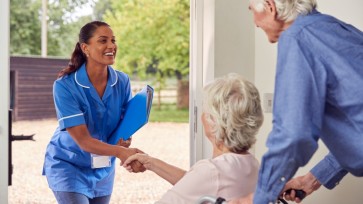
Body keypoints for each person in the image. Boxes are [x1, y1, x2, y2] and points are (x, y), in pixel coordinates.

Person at [230, 0, 363, 203]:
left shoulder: (296, 38)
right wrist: (311, 180)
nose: (255, 23)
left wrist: (259, 197)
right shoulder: (332, 28)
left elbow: (292, 134)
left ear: (270, 7)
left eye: (252, 11)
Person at [42, 21, 145, 204]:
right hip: (69, 165)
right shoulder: (65, 85)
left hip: (103, 168)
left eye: (113, 40)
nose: (112, 46)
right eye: (103, 41)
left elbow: (124, 124)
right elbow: (83, 141)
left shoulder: (122, 81)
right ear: (85, 48)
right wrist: (120, 152)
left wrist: (124, 141)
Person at [123, 73, 264, 203]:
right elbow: (197, 185)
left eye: (205, 110)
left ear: (214, 121)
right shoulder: (252, 163)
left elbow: (200, 182)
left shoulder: (212, 170)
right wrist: (150, 162)